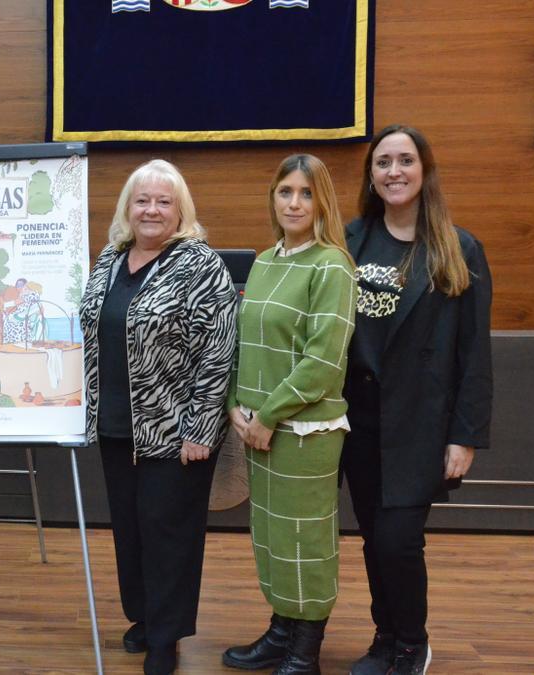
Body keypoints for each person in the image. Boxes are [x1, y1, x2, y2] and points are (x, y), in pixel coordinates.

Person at [341, 125, 492, 675]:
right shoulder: (349, 239)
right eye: (383, 162)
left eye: (405, 160)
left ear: (424, 170)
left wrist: (465, 434)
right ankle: (385, 635)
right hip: (356, 418)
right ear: (371, 175)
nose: (394, 171)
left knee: (400, 540)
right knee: (373, 538)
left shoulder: (458, 247)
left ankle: (412, 642)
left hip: (421, 423)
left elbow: (474, 353)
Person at [79, 159, 237, 675]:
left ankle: (167, 637)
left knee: (169, 532)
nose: (151, 209)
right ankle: (143, 616)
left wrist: (200, 428)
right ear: (128, 207)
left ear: (180, 210)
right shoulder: (109, 259)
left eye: (163, 201)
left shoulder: (199, 264)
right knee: (130, 529)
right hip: (114, 426)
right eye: (142, 200)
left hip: (174, 432)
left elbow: (218, 352)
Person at [223, 154, 356, 675]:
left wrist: (269, 415)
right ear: (273, 198)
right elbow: (244, 341)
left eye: (305, 193)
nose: (294, 202)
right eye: (285, 192)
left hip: (303, 431)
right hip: (258, 427)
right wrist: (237, 404)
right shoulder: (264, 261)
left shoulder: (332, 265)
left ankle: (306, 651)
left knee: (306, 539)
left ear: (321, 200)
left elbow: (323, 362)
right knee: (272, 535)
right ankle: (281, 631)